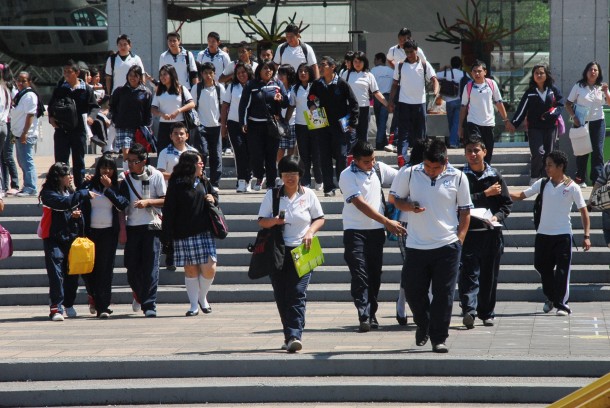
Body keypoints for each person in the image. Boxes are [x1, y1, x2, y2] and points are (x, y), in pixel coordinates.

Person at [389, 139, 472, 353]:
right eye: (428, 166)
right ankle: (423, 321)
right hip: (416, 244)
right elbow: (394, 199)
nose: (431, 171)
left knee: (443, 294)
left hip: (447, 245)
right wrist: (407, 206)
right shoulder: (409, 173)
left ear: (446, 162)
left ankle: (438, 338)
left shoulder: (459, 177)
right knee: (413, 290)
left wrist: (460, 240)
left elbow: (465, 211)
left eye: (436, 167)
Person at [257, 155, 325, 352]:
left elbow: (320, 218)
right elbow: (261, 220)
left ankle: (295, 334)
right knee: (281, 294)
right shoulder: (273, 195)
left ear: (300, 175)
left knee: (297, 292)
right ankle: (290, 334)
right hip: (278, 251)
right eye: (286, 174)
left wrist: (310, 232)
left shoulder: (309, 194)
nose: (290, 178)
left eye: (294, 174)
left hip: (304, 249)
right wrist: (275, 221)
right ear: (281, 175)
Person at [510, 150, 590, 316]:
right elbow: (521, 195)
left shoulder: (572, 187)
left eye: (550, 165)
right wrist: (503, 191)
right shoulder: (542, 183)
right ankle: (552, 297)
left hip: (563, 236)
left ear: (560, 167)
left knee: (562, 271)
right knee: (540, 266)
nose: (546, 168)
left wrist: (586, 236)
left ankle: (562, 305)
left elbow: (584, 211)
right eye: (546, 165)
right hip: (543, 235)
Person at [339, 141, 406, 331]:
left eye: (373, 159)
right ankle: (364, 314)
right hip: (354, 231)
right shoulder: (347, 175)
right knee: (360, 274)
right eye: (367, 162)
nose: (372, 164)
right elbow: (360, 204)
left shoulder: (378, 169)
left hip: (376, 231)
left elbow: (402, 178)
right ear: (356, 161)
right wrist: (387, 221)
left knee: (374, 274)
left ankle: (372, 313)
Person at [458, 136, 512, 328]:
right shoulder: (460, 176)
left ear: (484, 152)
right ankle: (469, 311)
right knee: (468, 274)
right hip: (469, 232)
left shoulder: (495, 175)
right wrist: (485, 194)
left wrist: (497, 217)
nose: (472, 155)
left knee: (489, 275)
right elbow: (458, 202)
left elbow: (506, 204)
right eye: (469, 151)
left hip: (491, 233)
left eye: (476, 151)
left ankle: (486, 312)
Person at [163, 151, 218, 316]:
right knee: (191, 269)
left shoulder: (203, 180)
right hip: (183, 232)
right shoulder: (176, 183)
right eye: (199, 162)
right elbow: (169, 209)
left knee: (210, 267)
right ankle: (194, 305)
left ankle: (202, 297)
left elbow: (214, 195)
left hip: (204, 231)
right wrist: (167, 235)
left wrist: (212, 198)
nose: (202, 165)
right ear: (190, 165)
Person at [39, 162, 94, 321]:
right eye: (67, 175)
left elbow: (70, 207)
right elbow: (62, 204)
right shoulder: (48, 194)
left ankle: (68, 303)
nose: (70, 177)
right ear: (58, 177)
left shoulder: (69, 191)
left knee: (72, 274)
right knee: (56, 274)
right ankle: (56, 308)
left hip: (70, 237)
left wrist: (75, 214)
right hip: (53, 238)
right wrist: (83, 192)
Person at [119, 143, 166, 317]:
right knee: (131, 267)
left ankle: (149, 304)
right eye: (128, 161)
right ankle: (139, 294)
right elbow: (120, 206)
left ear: (144, 160)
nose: (130, 164)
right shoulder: (124, 178)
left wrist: (148, 202)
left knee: (150, 266)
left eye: (134, 161)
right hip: (132, 226)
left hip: (152, 225)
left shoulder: (156, 175)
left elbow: (165, 200)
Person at [81, 154, 129, 318]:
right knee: (89, 269)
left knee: (105, 269)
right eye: (103, 168)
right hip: (90, 232)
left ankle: (103, 306)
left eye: (110, 168)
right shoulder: (89, 184)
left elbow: (122, 204)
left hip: (109, 232)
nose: (106, 171)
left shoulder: (117, 185)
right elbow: (79, 199)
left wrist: (109, 189)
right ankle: (93, 296)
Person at [307, 56, 359, 197]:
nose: (321, 67)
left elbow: (354, 103)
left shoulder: (342, 84)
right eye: (320, 65)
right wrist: (312, 106)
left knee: (341, 156)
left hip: (339, 126)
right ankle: (328, 188)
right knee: (324, 157)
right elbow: (310, 98)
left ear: (332, 67)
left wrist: (352, 122)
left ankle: (344, 186)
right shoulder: (318, 84)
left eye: (324, 65)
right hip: (322, 125)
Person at [48, 60, 99, 188]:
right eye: (64, 72)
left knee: (79, 161)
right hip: (62, 130)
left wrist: (91, 117)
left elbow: (94, 107)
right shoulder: (60, 89)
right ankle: (63, 187)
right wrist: (51, 118)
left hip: (79, 130)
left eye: (69, 72)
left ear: (77, 73)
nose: (66, 74)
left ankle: (80, 188)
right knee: (61, 162)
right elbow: (51, 106)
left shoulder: (86, 89)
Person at [238, 60, 288, 191]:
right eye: (265, 68)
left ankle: (271, 183)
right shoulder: (251, 85)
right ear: (259, 70)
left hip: (272, 126)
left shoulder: (278, 84)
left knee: (271, 155)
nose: (268, 71)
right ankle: (260, 176)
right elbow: (243, 105)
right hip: (254, 126)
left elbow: (286, 102)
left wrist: (281, 98)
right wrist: (243, 122)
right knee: (256, 155)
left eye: (271, 69)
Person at [510, 64, 563, 186]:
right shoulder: (530, 93)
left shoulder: (553, 90)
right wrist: (514, 124)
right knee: (538, 153)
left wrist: (550, 114)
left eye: (541, 73)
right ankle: (534, 176)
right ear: (533, 76)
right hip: (534, 128)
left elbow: (560, 104)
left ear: (546, 75)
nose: (539, 75)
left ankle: (546, 178)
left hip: (550, 127)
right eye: (536, 73)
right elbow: (521, 109)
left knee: (549, 153)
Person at [388, 39, 439, 161]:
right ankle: (402, 158)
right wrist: (390, 101)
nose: (409, 55)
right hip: (404, 103)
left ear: (417, 51)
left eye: (411, 52)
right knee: (403, 133)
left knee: (420, 135)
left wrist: (435, 92)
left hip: (420, 104)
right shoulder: (400, 65)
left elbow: (434, 79)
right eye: (407, 52)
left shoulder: (424, 65)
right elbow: (395, 84)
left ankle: (419, 158)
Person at [458, 60, 515, 164]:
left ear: (485, 72)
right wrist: (460, 126)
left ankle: (486, 172)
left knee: (487, 152)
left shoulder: (491, 84)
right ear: (471, 73)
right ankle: (474, 171)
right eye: (474, 71)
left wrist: (506, 120)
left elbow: (499, 102)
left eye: (479, 71)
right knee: (475, 149)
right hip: (473, 123)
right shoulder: (468, 87)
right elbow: (463, 107)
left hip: (488, 124)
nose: (477, 74)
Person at [564, 61, 610, 187]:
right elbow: (568, 103)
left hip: (598, 122)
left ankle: (597, 179)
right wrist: (573, 116)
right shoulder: (579, 86)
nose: (593, 72)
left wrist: (606, 92)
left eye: (595, 70)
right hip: (581, 122)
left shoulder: (601, 86)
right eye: (590, 69)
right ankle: (580, 178)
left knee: (598, 151)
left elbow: (609, 103)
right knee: (582, 150)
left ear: (599, 72)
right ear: (586, 72)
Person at [286, 62, 322, 190]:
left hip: (316, 121)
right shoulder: (295, 88)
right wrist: (286, 121)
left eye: (305, 71)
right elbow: (291, 106)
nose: (302, 73)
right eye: (300, 71)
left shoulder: (317, 86)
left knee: (317, 154)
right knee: (304, 155)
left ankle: (319, 180)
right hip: (300, 124)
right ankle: (306, 181)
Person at [221, 62, 254, 193]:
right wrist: (223, 125)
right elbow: (224, 106)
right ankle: (241, 181)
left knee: (251, 152)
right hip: (234, 123)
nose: (241, 75)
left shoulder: (254, 85)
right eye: (238, 73)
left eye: (243, 72)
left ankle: (249, 180)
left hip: (252, 123)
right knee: (239, 152)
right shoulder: (232, 87)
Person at [110, 65, 153, 166]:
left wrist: (147, 126)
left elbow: (148, 110)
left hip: (139, 127)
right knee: (126, 151)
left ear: (140, 78)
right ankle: (127, 172)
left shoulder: (146, 92)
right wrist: (115, 119)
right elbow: (113, 106)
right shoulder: (120, 91)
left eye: (136, 76)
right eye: (130, 75)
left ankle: (137, 172)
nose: (132, 78)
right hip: (123, 126)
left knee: (138, 153)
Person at [192, 62, 225, 192]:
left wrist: (223, 122)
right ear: (201, 74)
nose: (208, 75)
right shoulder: (197, 88)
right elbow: (193, 106)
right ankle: (201, 179)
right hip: (201, 126)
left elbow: (223, 106)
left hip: (216, 126)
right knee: (202, 153)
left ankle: (215, 182)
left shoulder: (219, 88)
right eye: (205, 73)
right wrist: (196, 122)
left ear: (214, 74)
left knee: (216, 155)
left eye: (210, 73)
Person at [343, 51, 388, 144]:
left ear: (364, 62)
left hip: (364, 109)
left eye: (360, 61)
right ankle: (350, 157)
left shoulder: (369, 75)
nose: (358, 64)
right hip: (349, 109)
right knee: (349, 135)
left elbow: (376, 92)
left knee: (362, 135)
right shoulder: (346, 74)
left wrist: (388, 105)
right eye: (355, 61)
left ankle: (362, 157)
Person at [151, 64, 195, 152]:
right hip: (164, 125)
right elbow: (153, 108)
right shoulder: (159, 90)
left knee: (181, 150)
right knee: (163, 150)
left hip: (180, 124)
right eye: (161, 75)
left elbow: (192, 104)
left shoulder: (181, 88)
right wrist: (161, 114)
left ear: (171, 75)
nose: (162, 77)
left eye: (165, 74)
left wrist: (178, 111)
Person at [11, 71, 39, 197]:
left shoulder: (30, 95)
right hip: (18, 133)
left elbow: (30, 115)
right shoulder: (20, 94)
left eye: (24, 81)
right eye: (19, 80)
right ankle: (27, 185)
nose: (20, 83)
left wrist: (24, 133)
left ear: (29, 82)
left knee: (27, 161)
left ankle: (31, 187)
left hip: (26, 134)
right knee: (22, 161)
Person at [436, 56, 466, 148]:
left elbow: (434, 75)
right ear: (460, 64)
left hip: (448, 101)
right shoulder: (463, 74)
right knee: (456, 123)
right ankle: (453, 142)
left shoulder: (446, 73)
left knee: (450, 122)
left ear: (451, 64)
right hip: (459, 101)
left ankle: (450, 141)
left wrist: (444, 68)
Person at [0, 64, 18, 195]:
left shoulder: (8, 87)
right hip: (5, 125)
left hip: (9, 125)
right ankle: (5, 185)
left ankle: (15, 183)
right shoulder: (5, 88)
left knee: (7, 155)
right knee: (3, 157)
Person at [370, 53, 394, 150]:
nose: (374, 61)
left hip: (377, 96)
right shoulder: (391, 71)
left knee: (379, 121)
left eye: (375, 59)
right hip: (387, 97)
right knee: (382, 121)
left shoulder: (373, 70)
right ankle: (383, 141)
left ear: (379, 59)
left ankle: (379, 142)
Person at [277, 64, 298, 164]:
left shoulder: (294, 88)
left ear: (289, 75)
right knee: (280, 148)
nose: (280, 76)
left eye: (283, 73)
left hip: (293, 121)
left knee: (291, 148)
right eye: (279, 73)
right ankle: (280, 171)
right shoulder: (276, 87)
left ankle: (289, 169)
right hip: (279, 122)